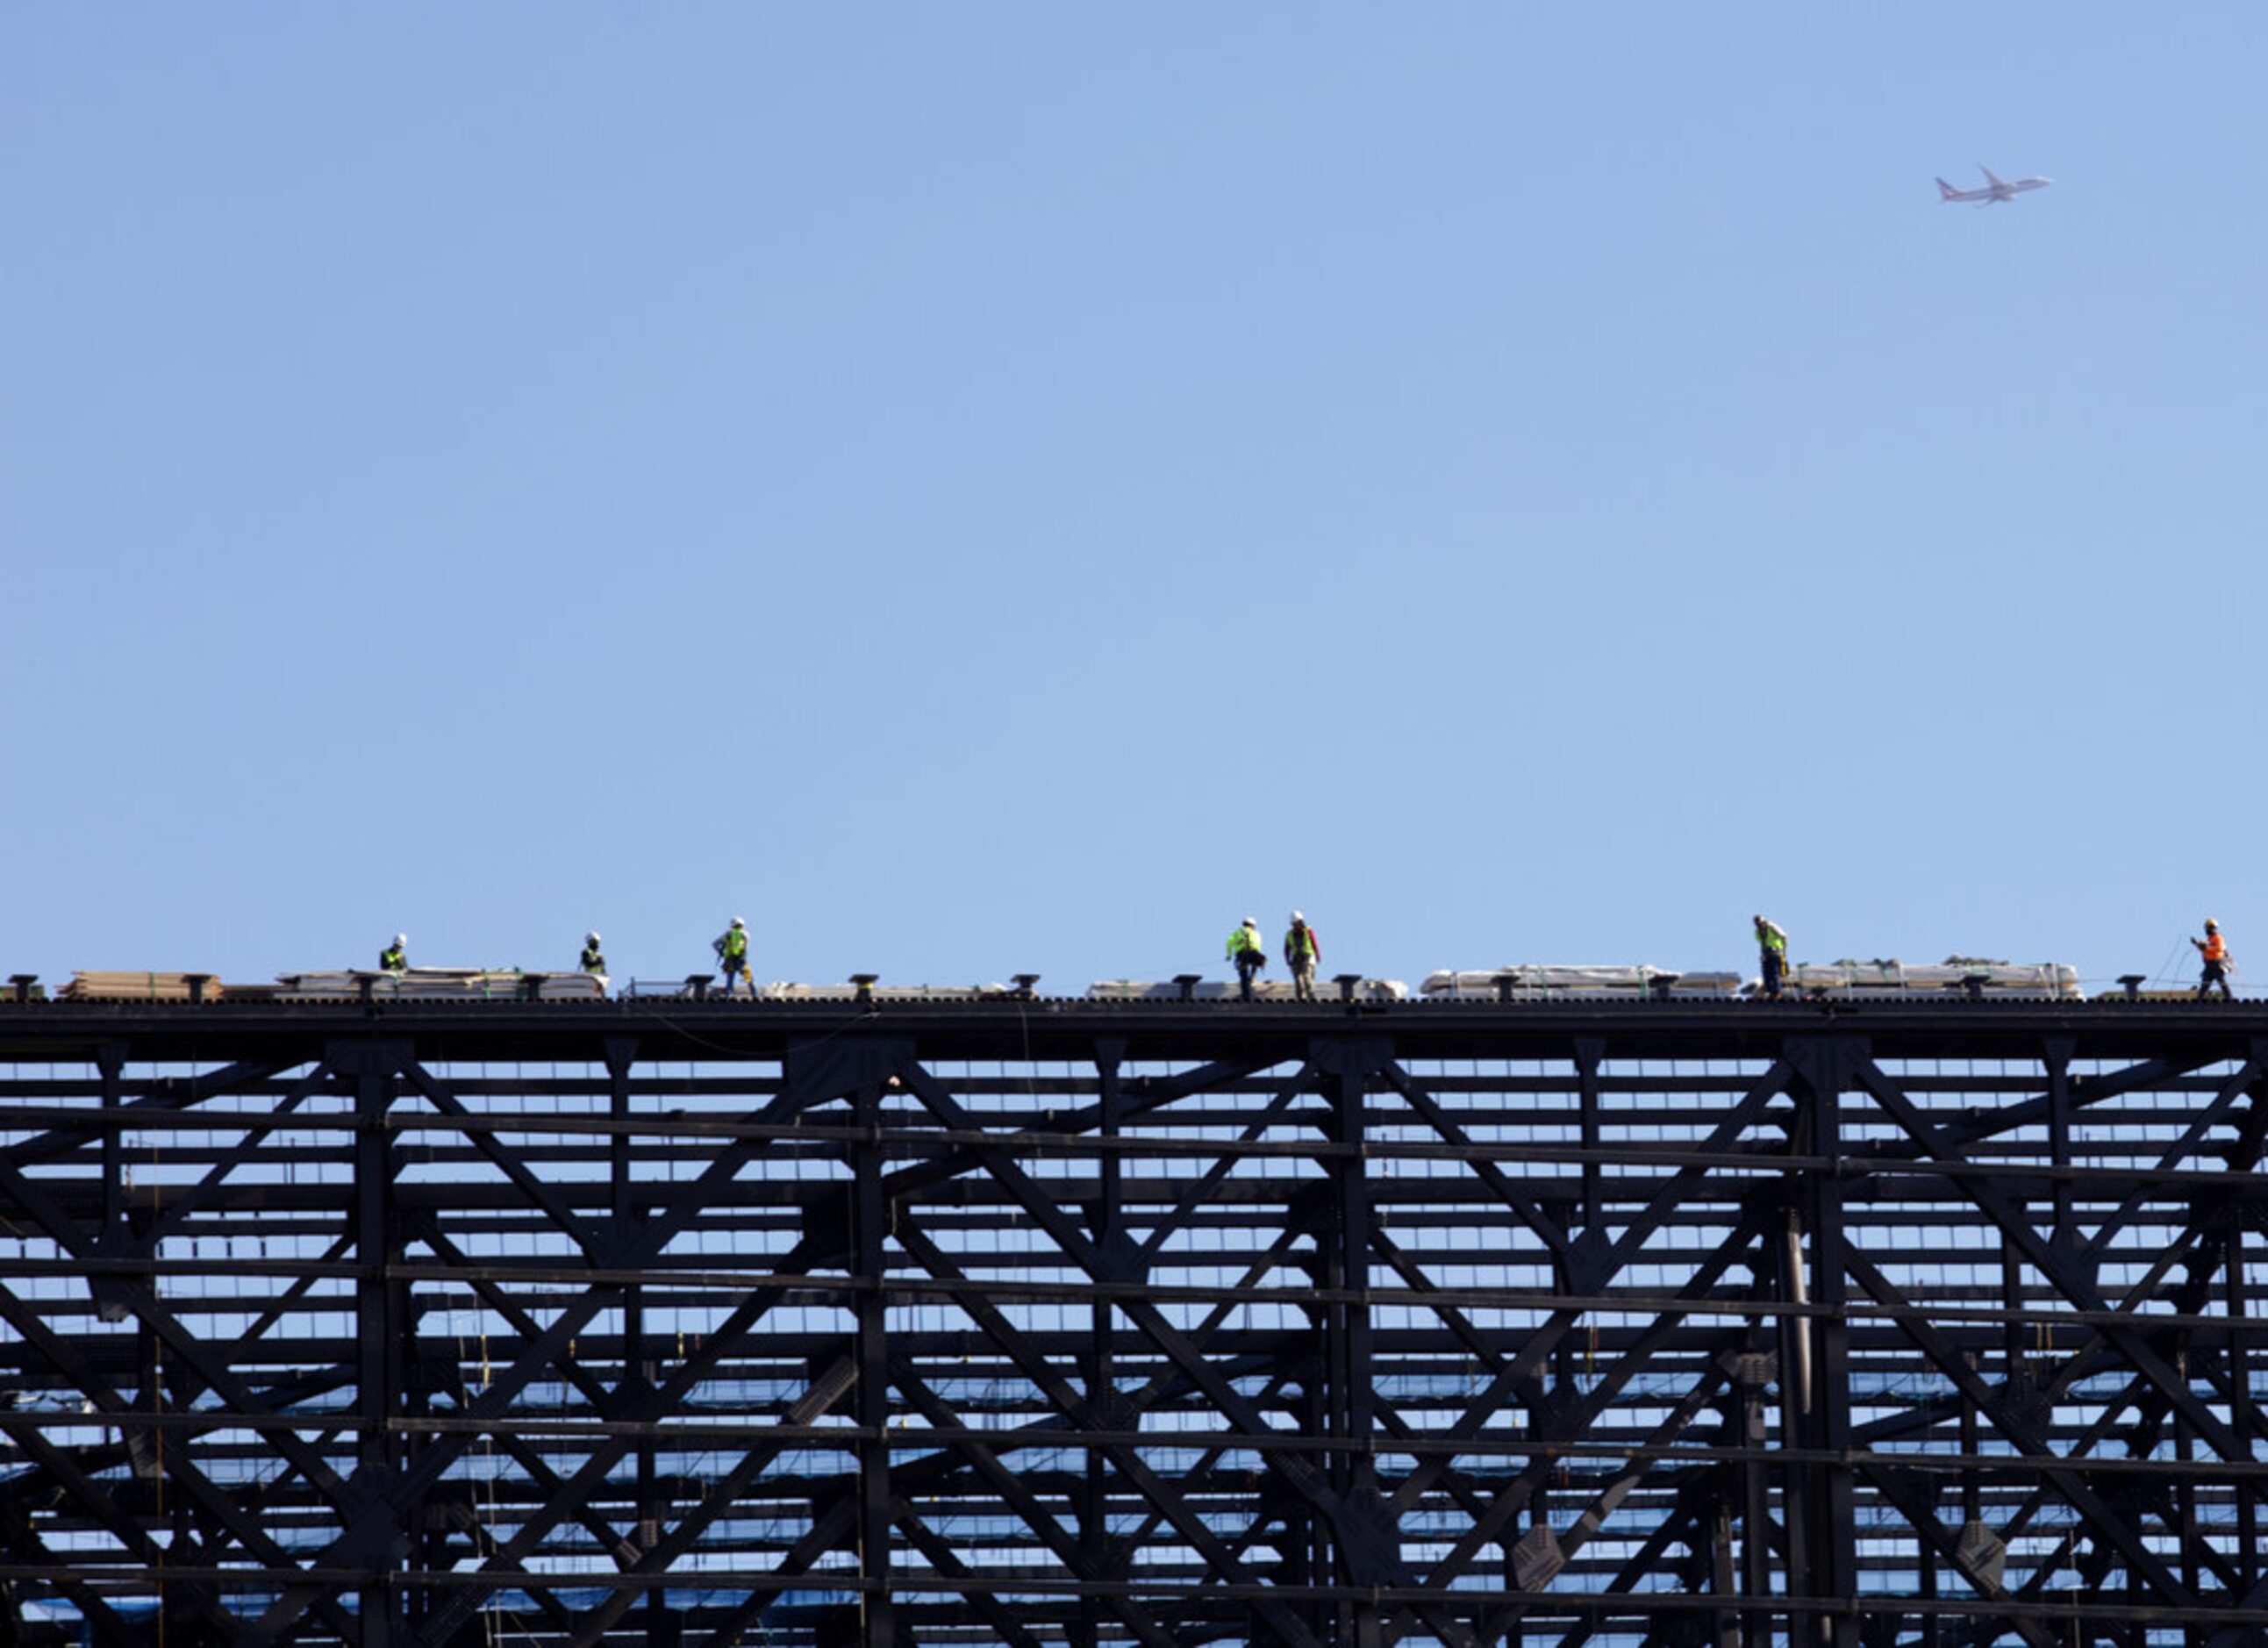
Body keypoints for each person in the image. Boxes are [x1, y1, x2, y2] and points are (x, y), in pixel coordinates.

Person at [1284, 911, 1321, 1002]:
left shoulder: (1308, 931)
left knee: (1306, 977)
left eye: (1296, 923)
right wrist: (1287, 960)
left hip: (1307, 956)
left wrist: (1317, 955)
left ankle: (1311, 997)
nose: (1295, 925)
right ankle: (1301, 998)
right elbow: (1286, 948)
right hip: (1296, 958)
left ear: (1301, 922)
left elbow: (1314, 943)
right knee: (1298, 979)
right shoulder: (1289, 934)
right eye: (1293, 924)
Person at [2193, 919, 2234, 1001]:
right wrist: (2197, 944)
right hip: (2209, 965)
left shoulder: (2218, 938)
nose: (2209, 930)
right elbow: (2205, 949)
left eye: (2211, 928)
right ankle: (2199, 1000)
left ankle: (2230, 998)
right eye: (2209, 928)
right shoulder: (2209, 939)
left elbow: (2219, 948)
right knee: (2205, 983)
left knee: (2221, 982)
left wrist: (2206, 948)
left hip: (2217, 964)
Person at [1227, 917, 1266, 1001]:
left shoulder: (1237, 933)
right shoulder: (1256, 933)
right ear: (1253, 925)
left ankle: (1246, 996)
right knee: (1255, 963)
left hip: (1242, 955)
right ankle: (1252, 977)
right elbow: (1258, 945)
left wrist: (1229, 955)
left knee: (1243, 975)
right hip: (1253, 954)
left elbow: (1229, 943)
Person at [1754, 915, 1788, 1001]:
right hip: (1766, 954)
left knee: (1774, 973)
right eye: (1757, 924)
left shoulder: (1772, 927)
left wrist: (1783, 951)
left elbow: (1784, 936)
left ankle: (1777, 993)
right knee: (1766, 973)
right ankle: (1769, 992)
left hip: (1775, 953)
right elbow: (1762, 943)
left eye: (1760, 923)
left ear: (1763, 921)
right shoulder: (1758, 932)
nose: (1759, 925)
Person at [713, 918, 750, 997]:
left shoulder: (728, 934)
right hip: (740, 958)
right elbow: (744, 947)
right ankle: (754, 993)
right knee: (747, 977)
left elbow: (715, 944)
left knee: (731, 978)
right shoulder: (744, 934)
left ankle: (729, 994)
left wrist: (721, 953)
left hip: (730, 959)